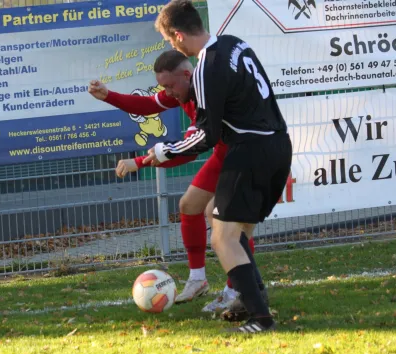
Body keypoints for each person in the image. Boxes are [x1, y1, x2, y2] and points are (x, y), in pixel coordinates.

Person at [144, 0, 293, 333]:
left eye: (170, 41)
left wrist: (164, 151)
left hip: (249, 150)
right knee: (235, 231)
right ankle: (250, 298)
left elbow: (206, 135)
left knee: (223, 238)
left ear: (179, 35)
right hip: (278, 144)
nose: (172, 46)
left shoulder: (206, 67)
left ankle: (261, 319)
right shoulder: (234, 43)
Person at [88, 50, 268, 316]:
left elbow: (189, 150)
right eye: (164, 87)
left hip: (241, 155)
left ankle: (237, 290)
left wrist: (138, 162)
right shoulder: (182, 89)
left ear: (187, 75)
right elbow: (148, 105)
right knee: (189, 206)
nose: (167, 93)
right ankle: (198, 279)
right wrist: (109, 96)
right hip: (223, 153)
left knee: (227, 223)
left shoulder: (205, 94)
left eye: (170, 86)